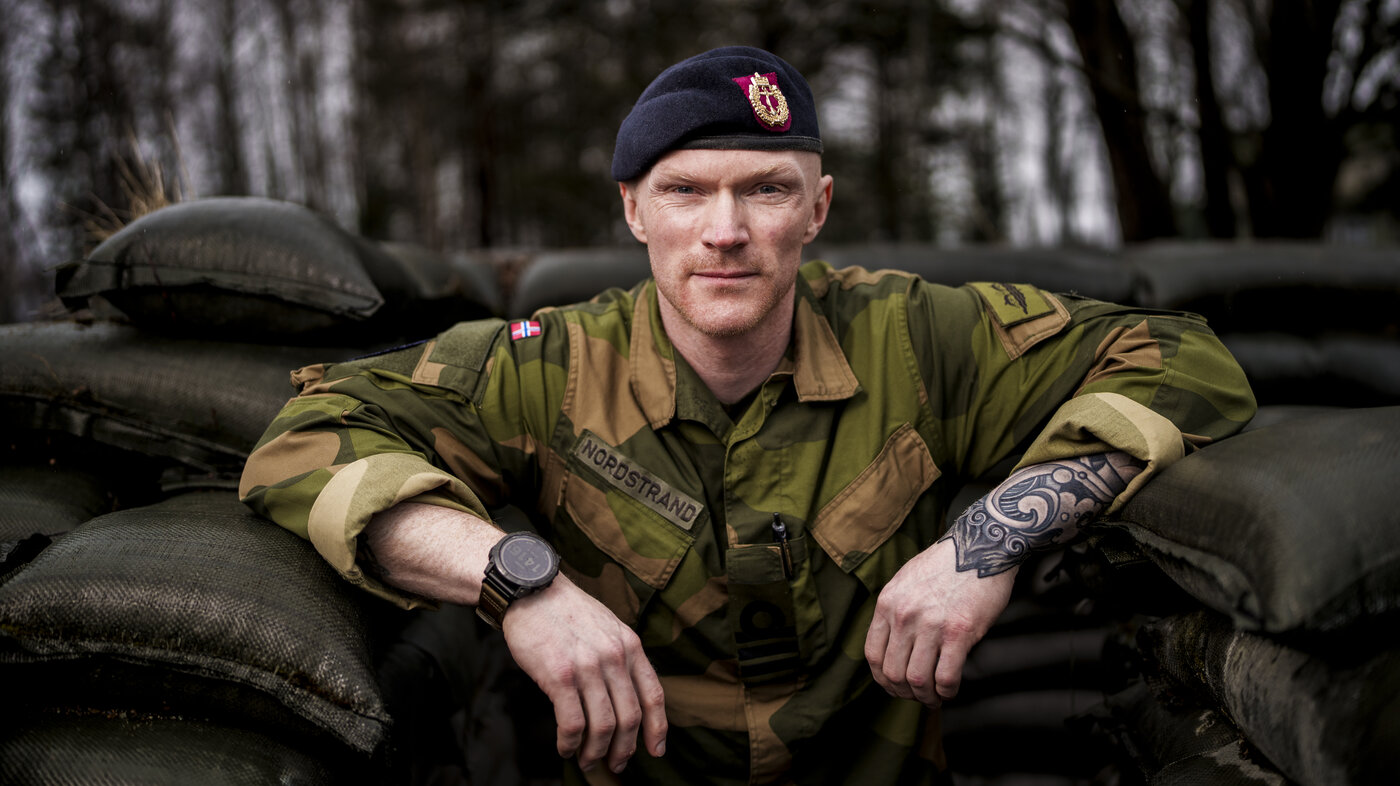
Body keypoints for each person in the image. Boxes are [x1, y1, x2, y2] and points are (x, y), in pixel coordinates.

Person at [240, 46, 1255, 785]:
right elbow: (308, 438)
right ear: (633, 210)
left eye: (765, 189)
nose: (724, 232)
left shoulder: (915, 338)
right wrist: (520, 585)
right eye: (685, 191)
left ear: (817, 209)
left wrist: (984, 542)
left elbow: (1182, 359)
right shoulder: (549, 369)